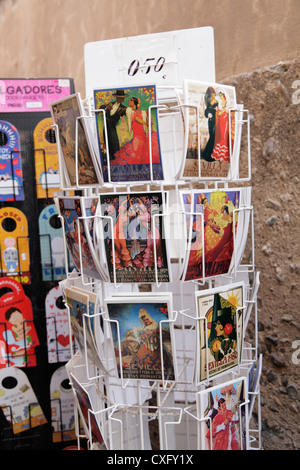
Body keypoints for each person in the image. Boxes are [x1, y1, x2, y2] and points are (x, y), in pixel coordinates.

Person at [99, 89, 128, 160]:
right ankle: (110, 160)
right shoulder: (110, 104)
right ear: (118, 98)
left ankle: (116, 159)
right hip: (106, 128)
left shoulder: (124, 108)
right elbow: (101, 107)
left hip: (112, 128)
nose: (123, 99)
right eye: (122, 97)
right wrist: (106, 108)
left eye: (123, 97)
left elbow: (130, 113)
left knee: (114, 144)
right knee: (107, 144)